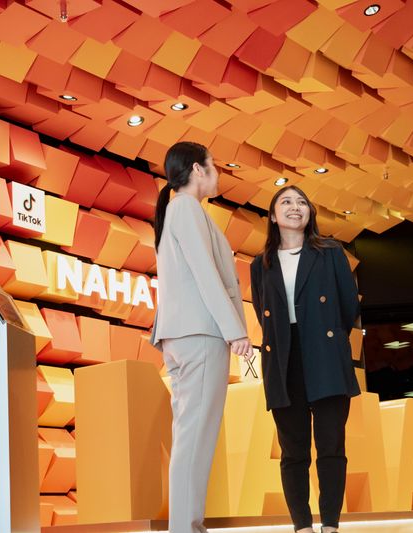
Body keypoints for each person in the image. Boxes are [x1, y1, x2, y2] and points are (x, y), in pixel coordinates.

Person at [150, 141, 252, 533]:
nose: (218, 173)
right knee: (196, 438)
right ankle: (186, 527)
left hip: (184, 335)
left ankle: (186, 525)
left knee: (190, 436)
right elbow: (205, 274)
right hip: (200, 334)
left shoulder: (179, 210)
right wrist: (235, 330)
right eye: (214, 165)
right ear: (197, 169)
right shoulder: (186, 209)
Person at [250, 185, 360, 533]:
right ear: (272, 216)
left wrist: (328, 337)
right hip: (284, 359)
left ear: (310, 213)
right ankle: (302, 526)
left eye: (301, 202)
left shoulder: (331, 252)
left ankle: (330, 525)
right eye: (285, 202)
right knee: (293, 451)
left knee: (331, 445)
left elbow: (348, 306)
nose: (294, 207)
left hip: (325, 355)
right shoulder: (260, 264)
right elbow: (262, 312)